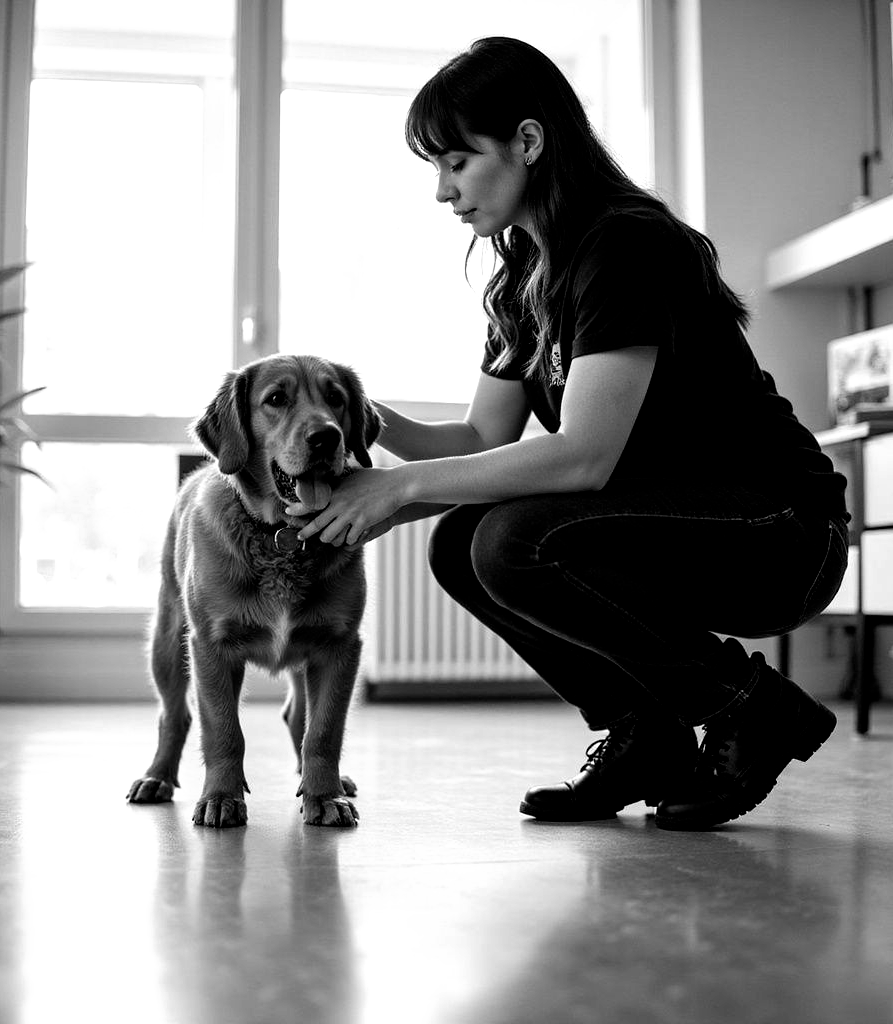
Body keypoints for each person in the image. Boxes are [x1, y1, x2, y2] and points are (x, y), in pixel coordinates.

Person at [288, 36, 849, 830]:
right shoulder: (522, 277)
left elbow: (583, 456)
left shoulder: (624, 245)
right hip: (671, 519)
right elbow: (485, 438)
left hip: (781, 531)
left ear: (527, 141)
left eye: (456, 161)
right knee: (459, 544)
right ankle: (648, 734)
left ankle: (749, 705)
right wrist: (358, 425)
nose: (443, 192)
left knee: (508, 541)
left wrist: (399, 489)